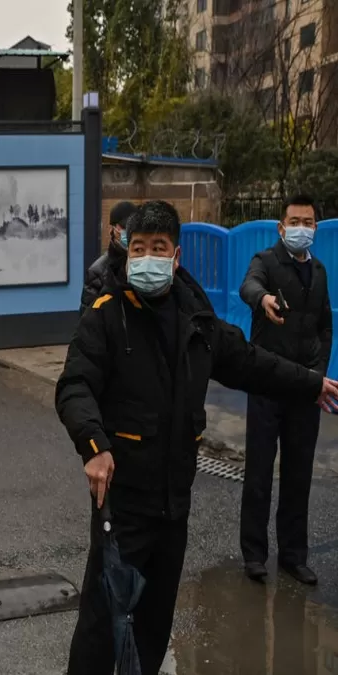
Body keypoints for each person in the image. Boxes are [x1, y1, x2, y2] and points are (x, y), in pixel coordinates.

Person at [54, 200, 338, 675]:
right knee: (102, 625)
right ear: (127, 251)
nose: (146, 258)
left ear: (176, 255)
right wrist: (94, 444)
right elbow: (74, 385)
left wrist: (311, 383)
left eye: (157, 248)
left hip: (173, 503)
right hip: (122, 503)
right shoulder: (105, 315)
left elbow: (250, 362)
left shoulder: (197, 320)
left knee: (154, 623)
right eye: (138, 248)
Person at [238, 194, 333, 585]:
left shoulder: (321, 272)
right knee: (259, 473)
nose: (301, 229)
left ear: (316, 227)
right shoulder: (266, 262)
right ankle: (254, 555)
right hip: (267, 383)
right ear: (281, 227)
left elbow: (325, 327)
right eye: (294, 222)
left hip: (304, 389)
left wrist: (318, 375)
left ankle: (294, 555)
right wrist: (263, 299)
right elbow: (248, 286)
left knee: (299, 475)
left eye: (308, 222)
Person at [79, 201, 137, 314]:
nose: (130, 232)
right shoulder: (98, 271)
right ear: (113, 229)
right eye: (125, 227)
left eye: (134, 227)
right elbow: (87, 320)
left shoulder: (144, 262)